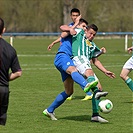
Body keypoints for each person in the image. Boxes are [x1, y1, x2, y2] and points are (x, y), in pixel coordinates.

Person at [43, 19, 109, 123]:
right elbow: (63, 31)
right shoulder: (77, 32)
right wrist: (72, 28)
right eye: (83, 26)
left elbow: (94, 58)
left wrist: (104, 67)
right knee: (76, 70)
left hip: (70, 60)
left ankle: (49, 110)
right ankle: (87, 87)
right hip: (63, 57)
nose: (83, 28)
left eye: (94, 34)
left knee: (69, 91)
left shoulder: (88, 42)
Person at [60, 23, 115, 122]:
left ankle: (95, 115)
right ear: (86, 30)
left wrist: (105, 71)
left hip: (86, 63)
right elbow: (62, 27)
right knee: (89, 73)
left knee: (99, 87)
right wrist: (70, 29)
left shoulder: (93, 45)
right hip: (78, 58)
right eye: (90, 33)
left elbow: (96, 61)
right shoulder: (80, 33)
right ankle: (96, 92)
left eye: (94, 35)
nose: (92, 36)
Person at [47, 8, 93, 100]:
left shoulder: (82, 27)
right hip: (68, 55)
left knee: (76, 72)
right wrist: (54, 42)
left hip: (73, 55)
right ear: (71, 16)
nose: (75, 17)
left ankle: (88, 92)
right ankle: (87, 92)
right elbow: (63, 33)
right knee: (74, 74)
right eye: (73, 15)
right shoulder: (72, 25)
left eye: (77, 16)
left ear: (80, 16)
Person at [0, 18, 22, 126]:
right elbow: (18, 72)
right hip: (3, 90)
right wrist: (4, 77)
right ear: (3, 30)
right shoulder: (10, 49)